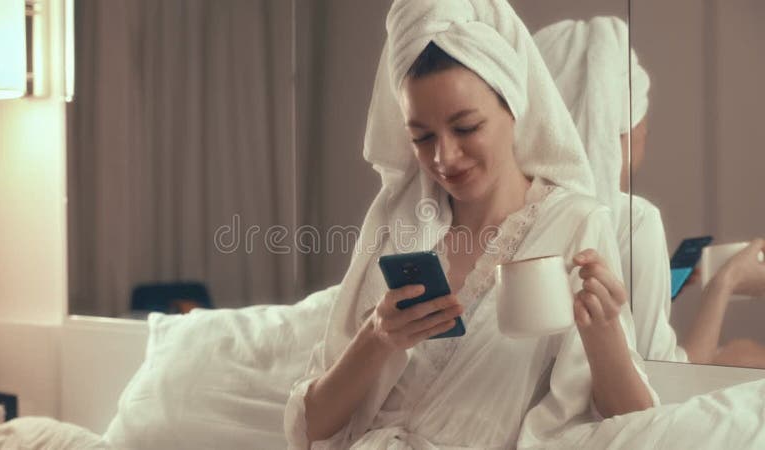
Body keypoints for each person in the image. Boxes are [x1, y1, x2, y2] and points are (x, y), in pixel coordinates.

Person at [283, 1, 656, 448]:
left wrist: (604, 332)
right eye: (422, 137)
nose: (444, 158)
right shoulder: (397, 229)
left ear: (513, 107)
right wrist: (378, 338)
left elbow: (636, 426)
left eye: (465, 127)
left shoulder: (573, 224)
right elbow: (312, 427)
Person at [534, 17, 765, 368]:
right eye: (643, 122)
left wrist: (657, 283)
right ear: (621, 131)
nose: (647, 134)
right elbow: (662, 376)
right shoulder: (634, 221)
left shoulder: (519, 209)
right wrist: (725, 282)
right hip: (624, 407)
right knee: (747, 355)